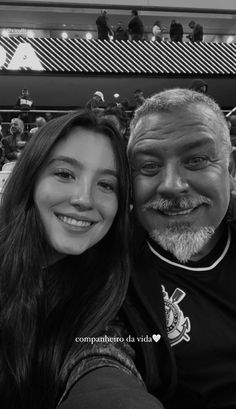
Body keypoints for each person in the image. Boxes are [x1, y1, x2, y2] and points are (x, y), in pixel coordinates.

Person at [0, 110, 133, 408]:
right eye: (64, 174)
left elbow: (103, 357)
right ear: (30, 179)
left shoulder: (113, 292)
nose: (84, 198)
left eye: (106, 185)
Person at [125, 88, 236, 408]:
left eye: (197, 160)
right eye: (148, 166)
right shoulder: (107, 264)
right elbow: (98, 354)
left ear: (230, 170)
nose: (172, 185)